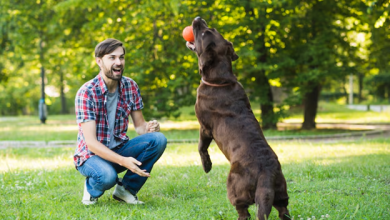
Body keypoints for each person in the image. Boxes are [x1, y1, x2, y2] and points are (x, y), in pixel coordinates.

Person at [74, 38, 167, 205]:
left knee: (158, 139)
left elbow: (140, 127)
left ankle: (126, 190)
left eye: (121, 57)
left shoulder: (130, 86)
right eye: (112, 58)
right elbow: (91, 143)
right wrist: (124, 161)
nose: (118, 62)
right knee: (108, 177)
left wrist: (150, 127)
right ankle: (91, 188)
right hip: (91, 156)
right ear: (99, 61)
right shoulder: (87, 92)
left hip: (119, 149)